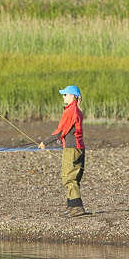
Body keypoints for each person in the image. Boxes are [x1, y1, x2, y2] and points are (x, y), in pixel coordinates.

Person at [38, 85, 87, 217]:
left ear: (73, 96)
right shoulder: (75, 110)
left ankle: (77, 208)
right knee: (69, 177)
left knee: (70, 178)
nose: (63, 97)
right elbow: (69, 132)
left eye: (65, 95)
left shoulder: (71, 111)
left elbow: (60, 131)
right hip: (75, 148)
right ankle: (71, 206)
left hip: (73, 149)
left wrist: (45, 142)